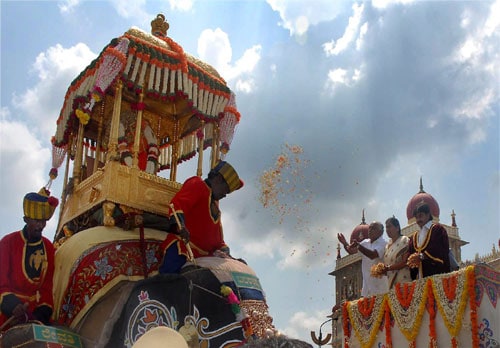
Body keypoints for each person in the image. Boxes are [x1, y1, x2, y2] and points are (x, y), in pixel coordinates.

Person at [159, 161, 244, 273]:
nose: (225, 195)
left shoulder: (216, 205)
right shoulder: (197, 184)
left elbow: (218, 240)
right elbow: (178, 205)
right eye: (226, 190)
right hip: (185, 250)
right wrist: (182, 227)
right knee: (170, 281)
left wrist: (227, 253)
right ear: (218, 179)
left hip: (207, 257)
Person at [0, 188, 59, 329]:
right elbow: (1, 282)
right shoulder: (7, 242)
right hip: (7, 312)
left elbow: (46, 287)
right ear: (26, 219)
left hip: (34, 315)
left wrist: (41, 313)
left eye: (43, 221)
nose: (40, 226)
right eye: (36, 221)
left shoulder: (49, 247)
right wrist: (13, 306)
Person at [337, 221, 388, 297]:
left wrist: (359, 246)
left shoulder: (383, 243)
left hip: (380, 287)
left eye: (373, 228)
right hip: (367, 287)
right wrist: (344, 243)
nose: (370, 230)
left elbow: (373, 255)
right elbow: (351, 251)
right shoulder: (365, 242)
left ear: (381, 232)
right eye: (369, 228)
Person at [407, 202, 450, 279]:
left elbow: (439, 249)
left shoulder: (438, 230)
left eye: (420, 216)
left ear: (428, 214)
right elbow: (411, 255)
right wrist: (412, 261)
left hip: (437, 276)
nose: (418, 220)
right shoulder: (414, 237)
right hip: (420, 280)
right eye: (416, 217)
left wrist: (421, 256)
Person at [381, 217, 411, 289]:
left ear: (397, 228)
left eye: (389, 227)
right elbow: (387, 265)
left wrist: (388, 268)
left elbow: (405, 262)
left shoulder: (404, 240)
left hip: (403, 281)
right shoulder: (387, 246)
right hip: (390, 284)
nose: (387, 230)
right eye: (386, 228)